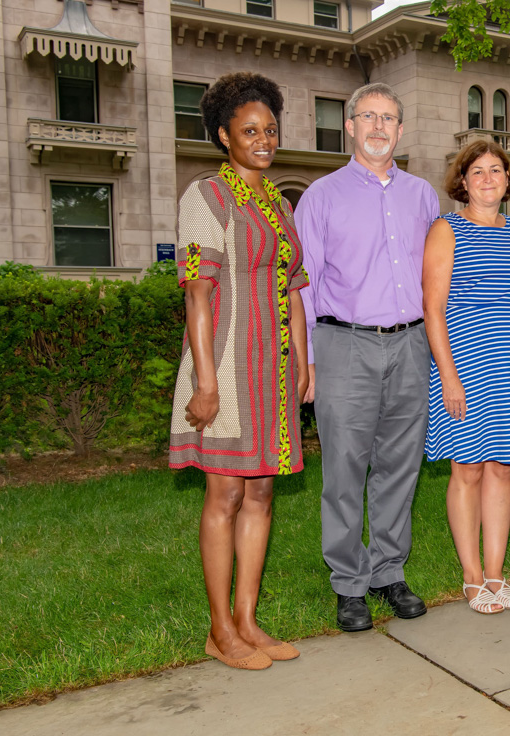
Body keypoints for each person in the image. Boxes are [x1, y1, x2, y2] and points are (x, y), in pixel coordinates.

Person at [169, 72, 308, 670]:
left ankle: (249, 621)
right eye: (250, 130)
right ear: (224, 135)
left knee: (262, 492)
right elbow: (198, 294)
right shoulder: (205, 196)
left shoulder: (278, 203)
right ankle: (219, 629)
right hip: (225, 365)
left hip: (274, 370)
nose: (264, 139)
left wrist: (304, 364)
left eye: (270, 129)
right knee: (224, 492)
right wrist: (204, 384)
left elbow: (295, 290)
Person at [295, 83, 439, 631]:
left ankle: (388, 571)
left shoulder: (423, 195)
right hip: (343, 344)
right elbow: (303, 286)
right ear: (350, 126)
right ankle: (348, 582)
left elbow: (437, 276)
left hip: (410, 342)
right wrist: (305, 361)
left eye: (389, 118)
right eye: (368, 117)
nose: (379, 127)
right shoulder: (322, 196)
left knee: (400, 466)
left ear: (401, 131)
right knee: (345, 469)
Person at [423, 141, 510, 614]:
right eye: (478, 171)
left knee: (503, 468)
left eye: (496, 170)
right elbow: (433, 309)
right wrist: (448, 377)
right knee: (467, 468)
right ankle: (471, 577)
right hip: (465, 364)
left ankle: (496, 574)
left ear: (509, 181)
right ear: (463, 182)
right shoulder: (446, 230)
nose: (488, 178)